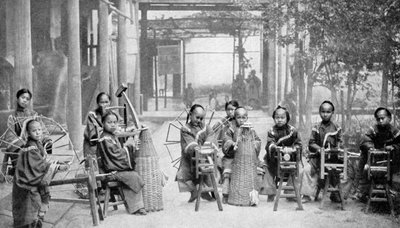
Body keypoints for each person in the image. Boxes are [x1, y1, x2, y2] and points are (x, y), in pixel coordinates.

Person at [12, 119, 69, 228]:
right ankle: (30, 224)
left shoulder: (38, 144)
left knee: (38, 202)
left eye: (39, 130)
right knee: (32, 205)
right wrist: (56, 167)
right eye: (34, 131)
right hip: (26, 181)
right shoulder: (30, 148)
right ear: (28, 133)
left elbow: (42, 161)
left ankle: (36, 222)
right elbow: (37, 166)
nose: (38, 132)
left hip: (32, 177)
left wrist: (56, 163)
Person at [97, 111, 147, 215]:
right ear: (103, 123)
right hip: (110, 171)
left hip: (115, 168)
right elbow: (116, 155)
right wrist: (130, 146)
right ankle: (137, 207)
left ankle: (136, 206)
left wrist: (130, 141)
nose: (113, 124)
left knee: (132, 175)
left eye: (115, 122)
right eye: (109, 122)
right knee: (133, 176)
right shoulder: (105, 139)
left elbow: (119, 146)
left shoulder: (110, 136)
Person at [2, 88, 52, 177]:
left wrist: (46, 140)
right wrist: (22, 143)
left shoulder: (34, 115)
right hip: (19, 149)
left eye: (27, 99)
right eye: (22, 97)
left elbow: (42, 130)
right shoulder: (12, 117)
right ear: (17, 98)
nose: (25, 100)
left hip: (35, 146)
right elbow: (10, 136)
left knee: (40, 152)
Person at [357, 107, 400, 201]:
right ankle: (363, 191)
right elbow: (365, 141)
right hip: (374, 158)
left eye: (383, 118)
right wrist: (371, 148)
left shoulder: (395, 131)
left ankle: (393, 190)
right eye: (378, 119)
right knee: (363, 161)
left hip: (390, 160)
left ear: (389, 118)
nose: (380, 121)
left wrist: (393, 147)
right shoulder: (373, 129)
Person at [176, 104, 216, 202]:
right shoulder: (185, 129)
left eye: (201, 118)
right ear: (190, 115)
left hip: (204, 156)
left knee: (207, 174)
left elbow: (211, 136)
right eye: (197, 117)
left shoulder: (206, 127)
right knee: (184, 175)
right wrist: (196, 148)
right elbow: (189, 143)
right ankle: (195, 192)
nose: (199, 120)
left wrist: (206, 146)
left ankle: (212, 193)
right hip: (189, 158)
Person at [261, 106, 302, 202]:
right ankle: (270, 192)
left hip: (289, 157)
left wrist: (292, 149)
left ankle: (290, 193)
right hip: (274, 158)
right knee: (266, 167)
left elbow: (298, 144)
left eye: (282, 118)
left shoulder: (293, 131)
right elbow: (269, 144)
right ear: (274, 118)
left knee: (297, 169)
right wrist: (277, 148)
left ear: (287, 118)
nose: (279, 120)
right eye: (277, 117)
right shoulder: (271, 131)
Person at [223, 107, 261, 206]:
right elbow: (226, 139)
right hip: (233, 157)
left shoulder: (251, 129)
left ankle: (251, 197)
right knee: (227, 170)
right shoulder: (231, 129)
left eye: (244, 117)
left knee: (257, 170)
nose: (241, 120)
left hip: (248, 157)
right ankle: (226, 194)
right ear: (235, 118)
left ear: (247, 118)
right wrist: (232, 144)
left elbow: (257, 140)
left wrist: (254, 145)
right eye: (239, 117)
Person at [308, 100, 343, 203]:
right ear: (319, 112)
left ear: (332, 113)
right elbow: (311, 143)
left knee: (344, 170)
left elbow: (341, 141)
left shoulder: (337, 127)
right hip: (318, 157)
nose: (325, 114)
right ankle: (308, 194)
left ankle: (336, 193)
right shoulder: (316, 127)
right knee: (307, 169)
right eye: (323, 111)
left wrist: (337, 148)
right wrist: (319, 149)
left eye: (328, 112)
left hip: (333, 157)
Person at [83, 92, 111, 167]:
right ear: (98, 103)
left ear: (110, 102)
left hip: (107, 143)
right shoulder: (92, 114)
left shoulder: (112, 114)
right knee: (92, 167)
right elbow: (93, 131)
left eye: (106, 102)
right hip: (93, 143)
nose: (104, 104)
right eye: (102, 102)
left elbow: (119, 124)